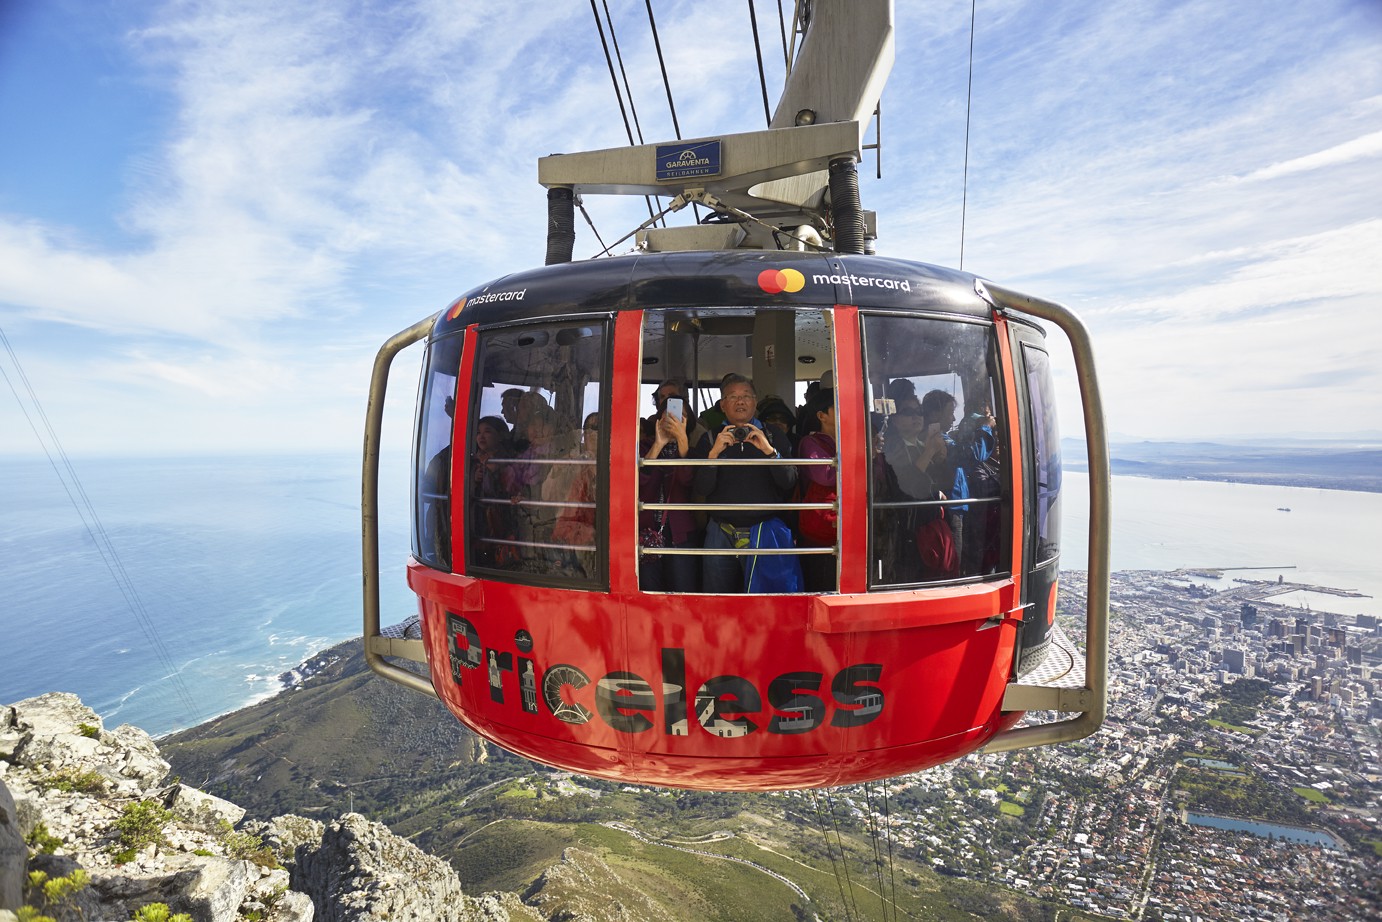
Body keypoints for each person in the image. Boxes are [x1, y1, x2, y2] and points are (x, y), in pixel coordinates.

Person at [691, 374, 800, 593]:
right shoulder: (711, 438)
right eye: (732, 397)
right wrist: (713, 456)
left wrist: (769, 451)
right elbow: (701, 489)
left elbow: (789, 482)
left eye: (745, 396)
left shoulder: (773, 435)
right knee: (717, 601)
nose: (740, 401)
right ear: (723, 405)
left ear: (755, 401)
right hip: (720, 533)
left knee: (765, 604)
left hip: (764, 533)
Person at [639, 389, 700, 591]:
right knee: (650, 589)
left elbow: (688, 482)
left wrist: (682, 444)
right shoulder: (644, 448)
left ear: (688, 422)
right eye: (669, 414)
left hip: (681, 534)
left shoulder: (694, 451)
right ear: (659, 419)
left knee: (682, 590)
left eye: (680, 415)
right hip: (647, 532)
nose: (673, 418)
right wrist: (658, 444)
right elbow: (639, 482)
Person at [795, 388, 837, 591]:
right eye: (837, 406)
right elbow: (825, 476)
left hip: (844, 525)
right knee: (820, 579)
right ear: (821, 416)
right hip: (820, 527)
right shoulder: (809, 443)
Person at [470, 415, 518, 567]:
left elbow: (507, 491)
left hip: (501, 521)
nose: (481, 436)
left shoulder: (507, 460)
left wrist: (489, 472)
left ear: (500, 435)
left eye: (487, 431)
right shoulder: (475, 460)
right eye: (478, 432)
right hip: (481, 523)